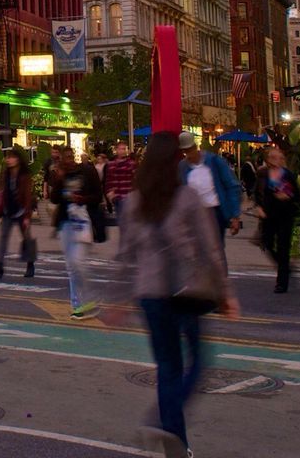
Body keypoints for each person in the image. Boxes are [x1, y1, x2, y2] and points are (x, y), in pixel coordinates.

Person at [120, 131, 236, 457]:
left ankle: (176, 443)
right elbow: (210, 249)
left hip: (149, 294)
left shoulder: (133, 201)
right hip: (184, 291)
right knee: (196, 362)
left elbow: (125, 255)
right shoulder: (186, 198)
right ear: (176, 160)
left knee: (167, 368)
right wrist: (225, 292)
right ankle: (162, 422)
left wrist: (119, 297)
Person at [50, 148, 97, 319]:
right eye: (64, 158)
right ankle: (77, 305)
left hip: (82, 222)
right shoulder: (59, 175)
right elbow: (54, 199)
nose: (68, 160)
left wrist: (82, 199)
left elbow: (97, 196)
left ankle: (89, 296)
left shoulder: (86, 171)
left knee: (77, 262)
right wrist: (59, 179)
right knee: (72, 266)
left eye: (70, 157)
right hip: (65, 223)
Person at [178, 132, 243, 255]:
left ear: (195, 147)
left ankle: (217, 272)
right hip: (195, 214)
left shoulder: (214, 161)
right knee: (197, 251)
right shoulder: (183, 167)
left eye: (190, 149)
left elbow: (231, 186)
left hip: (215, 212)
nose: (188, 154)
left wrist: (235, 216)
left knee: (215, 249)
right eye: (185, 151)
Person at [254, 145, 300, 294]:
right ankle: (284, 266)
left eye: (279, 157)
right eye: (273, 157)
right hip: (268, 215)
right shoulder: (263, 174)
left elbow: (298, 195)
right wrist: (259, 207)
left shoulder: (287, 175)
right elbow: (257, 193)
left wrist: (289, 197)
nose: (276, 160)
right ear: (267, 159)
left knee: (283, 247)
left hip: (285, 215)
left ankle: (282, 282)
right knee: (266, 242)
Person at [0, 147, 35, 279]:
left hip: (21, 211)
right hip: (7, 211)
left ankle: (30, 265)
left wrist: (27, 216)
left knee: (26, 239)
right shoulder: (6, 174)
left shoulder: (24, 176)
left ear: (18, 160)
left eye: (11, 157)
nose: (8, 160)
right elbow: (1, 192)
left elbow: (28, 196)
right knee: (3, 239)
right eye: (7, 157)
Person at [103, 141, 137, 248]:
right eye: (120, 149)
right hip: (117, 197)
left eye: (124, 149)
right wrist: (109, 193)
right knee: (122, 223)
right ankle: (126, 246)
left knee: (125, 223)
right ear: (116, 150)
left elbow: (136, 179)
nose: (122, 151)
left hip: (127, 196)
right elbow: (108, 180)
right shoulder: (111, 165)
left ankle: (125, 246)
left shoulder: (131, 164)